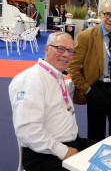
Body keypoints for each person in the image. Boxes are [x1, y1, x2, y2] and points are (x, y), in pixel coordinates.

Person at [9, 32, 95, 171]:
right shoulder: (30, 80)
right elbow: (29, 131)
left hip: (71, 143)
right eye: (60, 48)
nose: (66, 55)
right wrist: (64, 152)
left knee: (110, 155)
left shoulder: (55, 75)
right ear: (47, 49)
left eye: (71, 51)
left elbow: (57, 91)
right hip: (44, 154)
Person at [68, 1, 111, 142]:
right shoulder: (85, 36)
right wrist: (87, 90)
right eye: (107, 14)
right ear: (100, 15)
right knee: (96, 135)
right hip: (98, 90)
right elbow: (73, 67)